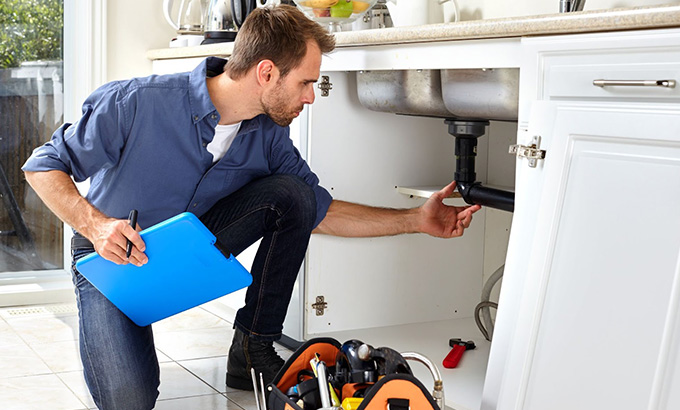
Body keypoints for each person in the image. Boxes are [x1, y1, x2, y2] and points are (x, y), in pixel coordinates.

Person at [22, 4, 480, 410]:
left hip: (189, 245)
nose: (309, 96)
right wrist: (98, 226)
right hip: (112, 257)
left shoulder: (269, 137)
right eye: (305, 82)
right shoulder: (135, 102)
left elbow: (317, 210)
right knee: (130, 401)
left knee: (292, 194)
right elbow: (42, 166)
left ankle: (251, 350)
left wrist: (415, 220)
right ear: (266, 73)